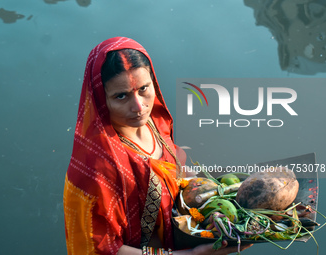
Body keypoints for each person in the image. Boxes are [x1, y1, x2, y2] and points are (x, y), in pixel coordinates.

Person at [63, 37, 252, 254]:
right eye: (121, 96)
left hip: (180, 236)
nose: (139, 106)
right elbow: (104, 249)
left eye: (144, 88)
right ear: (100, 99)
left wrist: (219, 193)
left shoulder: (155, 121)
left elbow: (173, 170)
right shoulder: (98, 166)